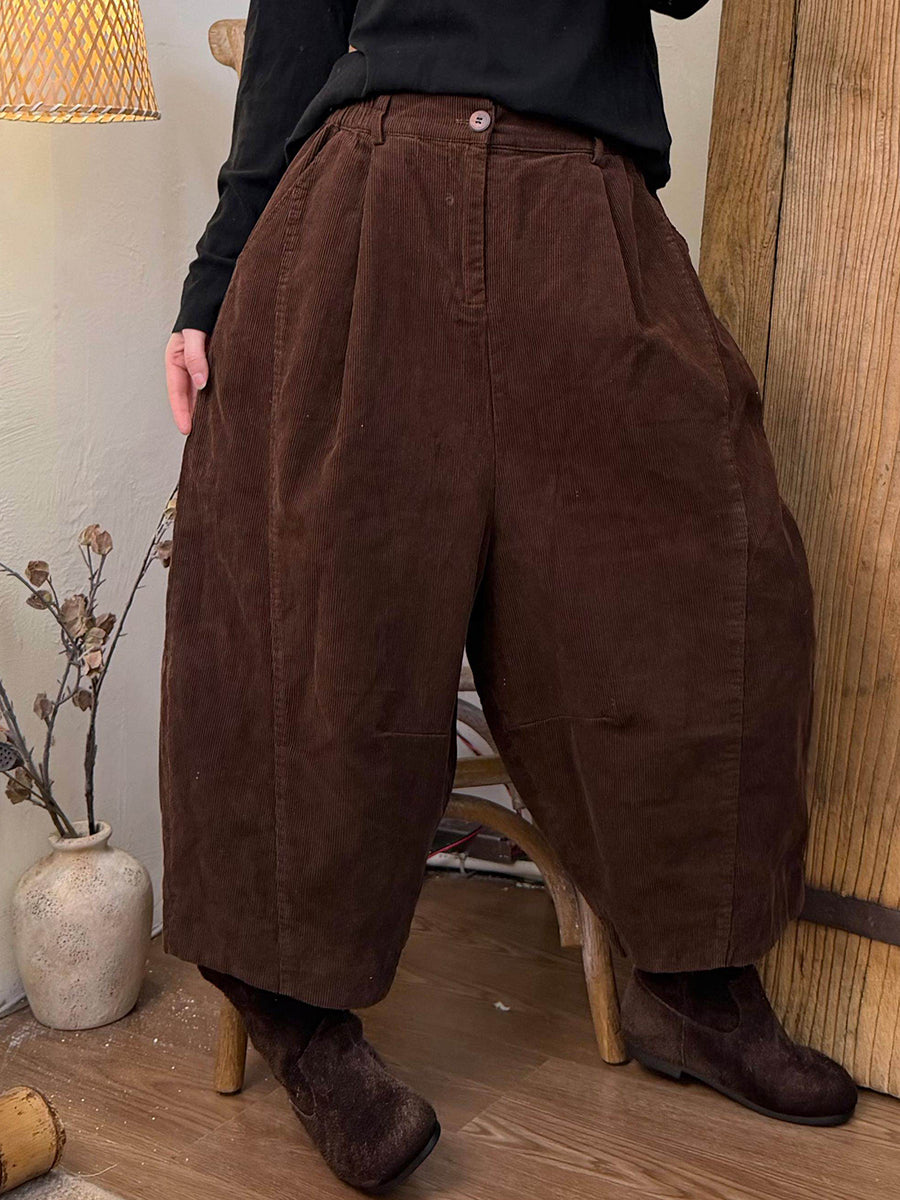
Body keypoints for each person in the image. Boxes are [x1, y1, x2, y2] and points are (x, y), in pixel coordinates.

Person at [160, 1, 858, 1192]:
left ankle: (693, 985)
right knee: (325, 614)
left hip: (585, 202)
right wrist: (216, 275)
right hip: (368, 197)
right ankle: (297, 1014)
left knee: (708, 585)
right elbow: (294, 30)